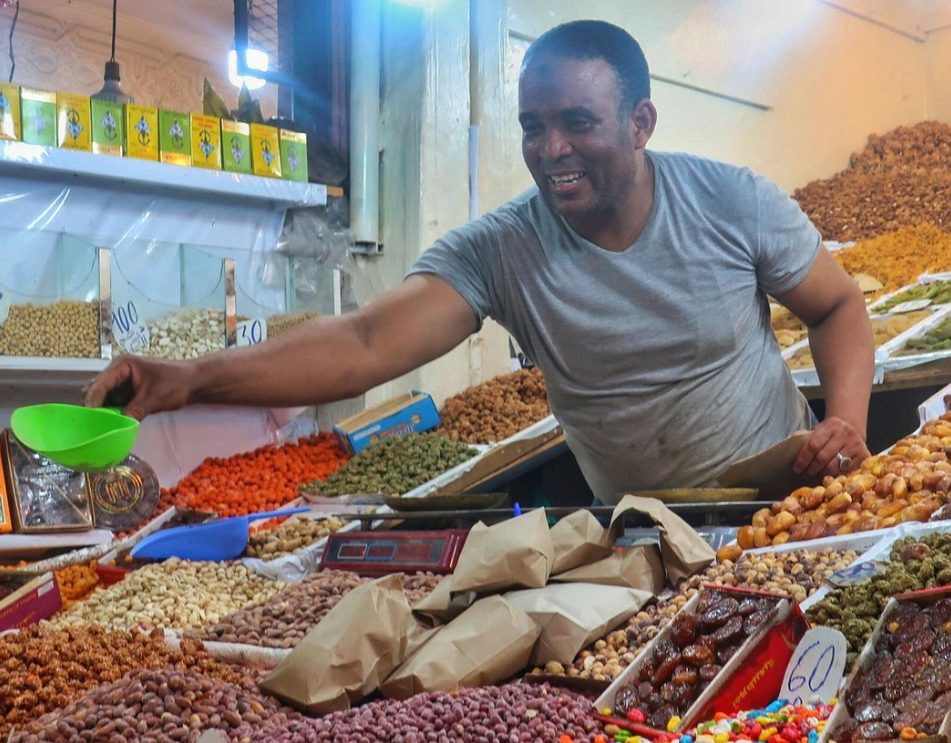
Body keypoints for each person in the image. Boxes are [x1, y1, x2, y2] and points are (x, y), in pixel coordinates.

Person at [86, 20, 873, 502]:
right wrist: (189, 380)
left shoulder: (733, 201)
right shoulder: (504, 247)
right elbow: (364, 343)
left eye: (576, 122)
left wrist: (846, 422)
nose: (550, 150)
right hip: (643, 533)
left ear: (640, 123)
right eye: (533, 126)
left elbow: (837, 306)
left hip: (782, 499)